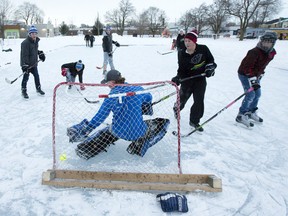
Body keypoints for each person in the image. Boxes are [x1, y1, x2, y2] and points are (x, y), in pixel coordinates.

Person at [67, 69, 170, 160]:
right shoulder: (137, 89)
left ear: (112, 82)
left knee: (109, 130)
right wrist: (145, 107)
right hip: (138, 131)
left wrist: (87, 130)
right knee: (162, 122)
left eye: (107, 83)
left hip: (118, 130)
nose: (107, 85)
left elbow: (100, 117)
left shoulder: (111, 96)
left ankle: (86, 149)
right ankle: (139, 146)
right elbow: (149, 97)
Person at [171, 29, 217, 132]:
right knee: (182, 100)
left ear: (194, 41)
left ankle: (194, 121)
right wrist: (178, 77)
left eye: (189, 41)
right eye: (185, 41)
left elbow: (211, 61)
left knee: (199, 101)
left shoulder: (203, 49)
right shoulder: (182, 53)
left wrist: (209, 69)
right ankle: (176, 108)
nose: (187, 43)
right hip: (187, 80)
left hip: (200, 80)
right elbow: (181, 69)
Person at [235, 31, 277, 127]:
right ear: (261, 41)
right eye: (264, 41)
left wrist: (260, 73)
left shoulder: (271, 53)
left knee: (257, 94)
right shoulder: (254, 52)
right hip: (245, 74)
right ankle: (241, 115)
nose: (266, 43)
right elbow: (247, 67)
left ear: (273, 43)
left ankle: (250, 112)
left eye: (269, 41)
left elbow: (262, 65)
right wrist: (253, 80)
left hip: (255, 75)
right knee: (250, 95)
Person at [20, 25, 46, 99]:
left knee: (37, 76)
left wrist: (40, 53)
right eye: (32, 33)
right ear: (29, 34)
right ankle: (23, 91)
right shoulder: (25, 43)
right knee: (25, 78)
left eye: (35, 33)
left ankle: (38, 89)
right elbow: (24, 55)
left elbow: (33, 51)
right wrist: (25, 65)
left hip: (34, 64)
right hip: (26, 64)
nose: (34, 35)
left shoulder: (35, 41)